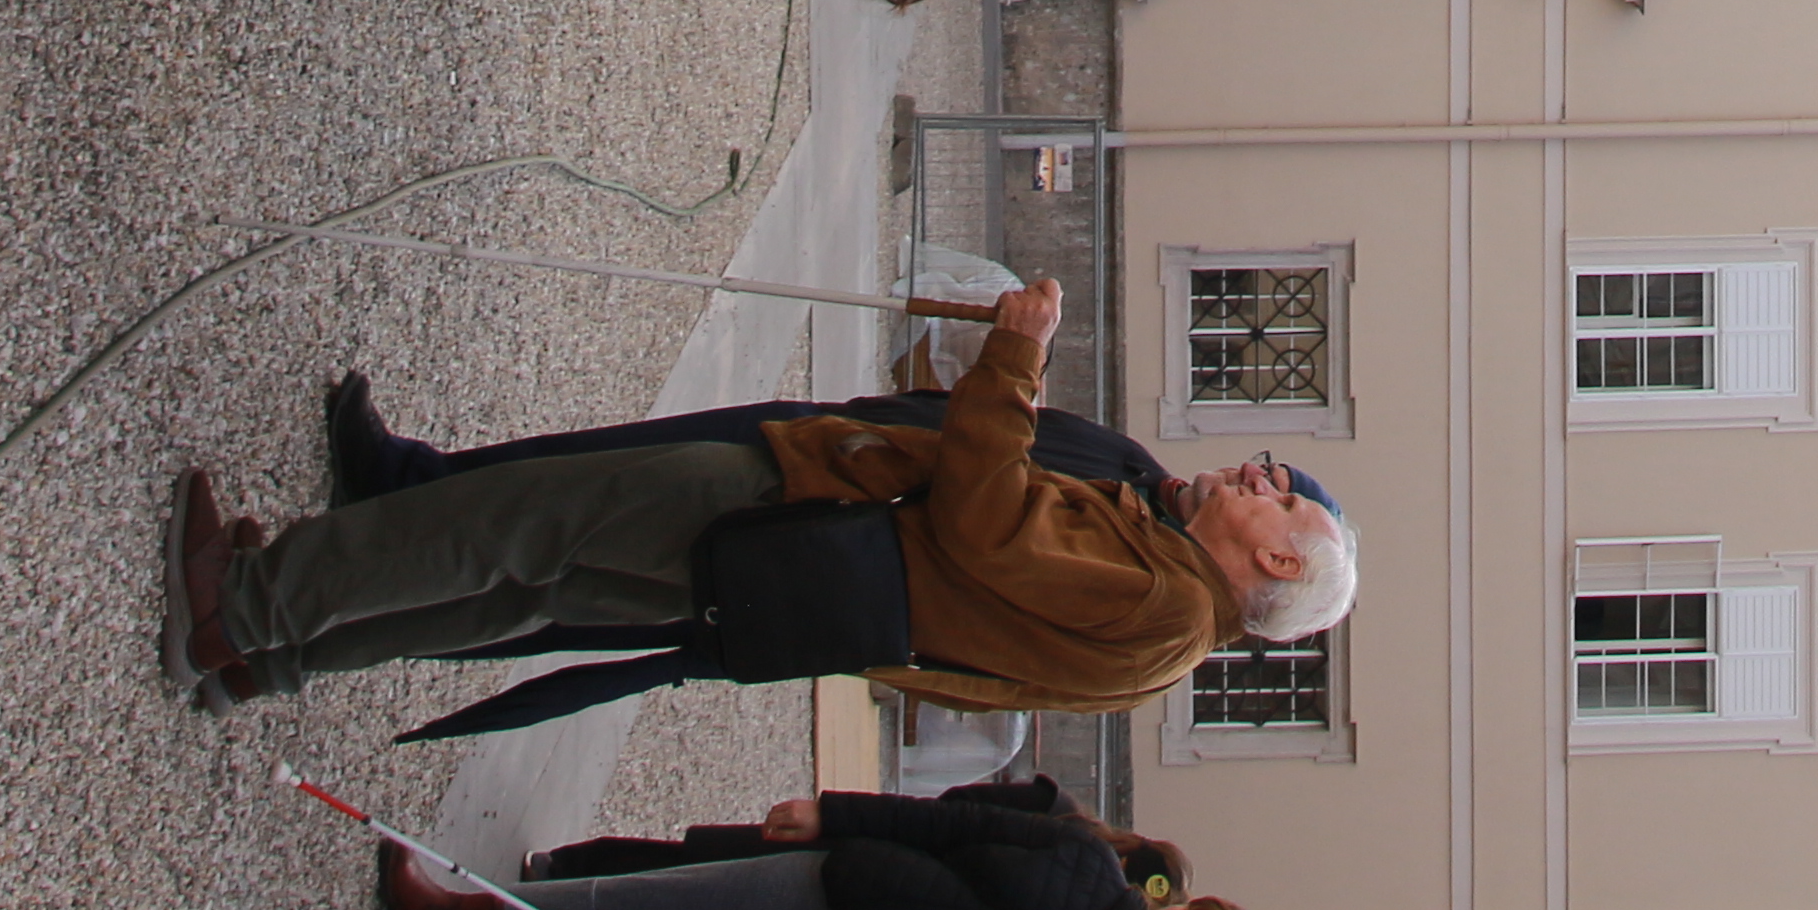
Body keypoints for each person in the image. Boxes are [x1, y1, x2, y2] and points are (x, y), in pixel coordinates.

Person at [168, 275, 1350, 719]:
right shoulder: (1165, 608)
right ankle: (268, 656)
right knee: (524, 589)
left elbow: (984, 527)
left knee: (518, 531)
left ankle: (249, 603)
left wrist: (1016, 362)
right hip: (797, 562)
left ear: (1281, 567)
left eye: (1276, 496)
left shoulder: (1160, 611)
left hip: (800, 520)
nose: (1256, 474)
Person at [378, 787, 1211, 910]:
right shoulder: (1087, 862)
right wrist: (833, 812)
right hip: (843, 885)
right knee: (648, 900)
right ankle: (465, 906)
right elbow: (948, 824)